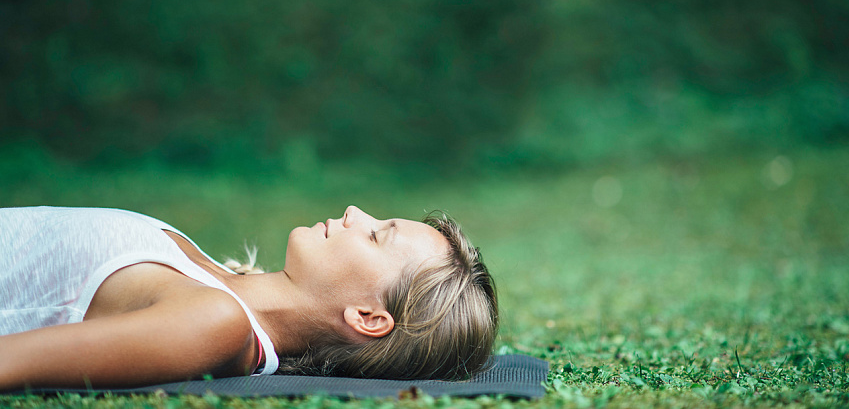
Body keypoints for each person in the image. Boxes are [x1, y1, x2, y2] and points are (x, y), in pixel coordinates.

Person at [0, 205, 497, 390]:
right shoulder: (216, 282)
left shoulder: (216, 322)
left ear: (368, 317)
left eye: (375, 236)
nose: (354, 212)